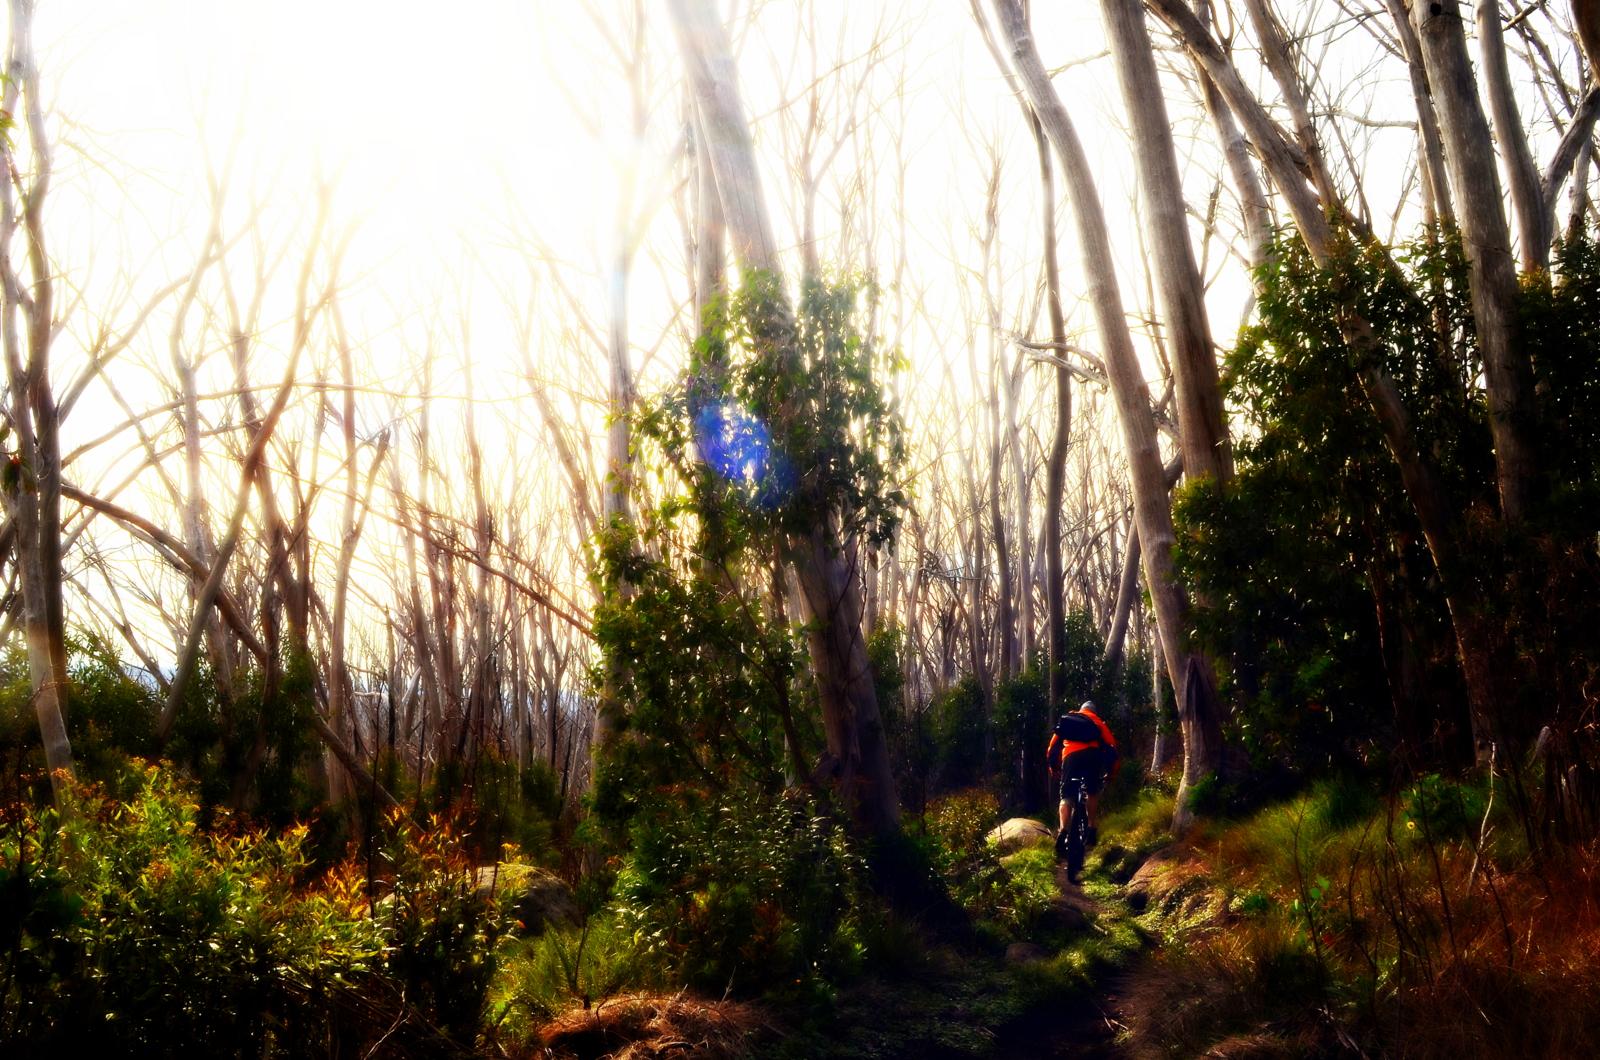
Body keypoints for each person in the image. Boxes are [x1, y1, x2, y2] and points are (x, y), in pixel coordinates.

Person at [1046, 700, 1120, 874]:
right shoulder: (1098, 722)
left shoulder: (1069, 718)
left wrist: (1053, 768)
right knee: (1091, 791)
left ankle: (1063, 830)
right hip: (1092, 758)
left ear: (1081, 710)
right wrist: (1112, 773)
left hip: (1070, 758)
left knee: (1066, 797)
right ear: (1094, 711)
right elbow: (1112, 748)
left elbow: (1051, 748)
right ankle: (1092, 826)